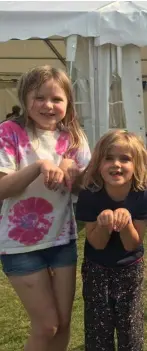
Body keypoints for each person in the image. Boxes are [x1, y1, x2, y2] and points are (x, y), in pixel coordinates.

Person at [0, 65, 91, 351]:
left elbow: (86, 187)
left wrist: (71, 168)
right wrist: (40, 166)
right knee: (46, 326)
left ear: (68, 103)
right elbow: (4, 188)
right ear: (25, 98)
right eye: (39, 97)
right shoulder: (9, 132)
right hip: (20, 246)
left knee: (63, 324)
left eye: (57, 99)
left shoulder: (73, 137)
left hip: (62, 240)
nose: (48, 105)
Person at [76, 129, 147, 351]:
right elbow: (96, 243)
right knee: (98, 328)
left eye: (125, 159)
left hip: (130, 269)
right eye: (109, 158)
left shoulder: (141, 194)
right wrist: (104, 225)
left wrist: (125, 225)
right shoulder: (90, 194)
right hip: (97, 269)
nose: (116, 164)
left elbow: (132, 244)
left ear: (136, 164)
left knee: (130, 326)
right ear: (98, 162)